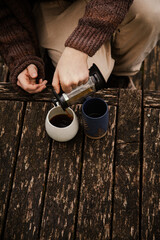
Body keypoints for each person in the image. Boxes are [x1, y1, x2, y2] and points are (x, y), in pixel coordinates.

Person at [0, 0, 160, 94]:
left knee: (150, 13)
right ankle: (108, 74)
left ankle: (119, 75)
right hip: (53, 6)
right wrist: (20, 54)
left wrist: (80, 47)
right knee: (84, 85)